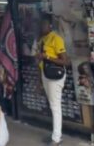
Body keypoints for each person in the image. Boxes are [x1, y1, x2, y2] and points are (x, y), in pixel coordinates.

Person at [37, 14, 70, 146]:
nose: (41, 27)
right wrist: (40, 80)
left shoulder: (56, 39)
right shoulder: (42, 40)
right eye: (41, 24)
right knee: (52, 105)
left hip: (55, 76)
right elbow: (40, 60)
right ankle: (54, 134)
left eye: (44, 24)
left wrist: (48, 57)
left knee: (55, 106)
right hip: (46, 74)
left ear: (50, 26)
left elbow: (65, 61)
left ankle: (57, 138)